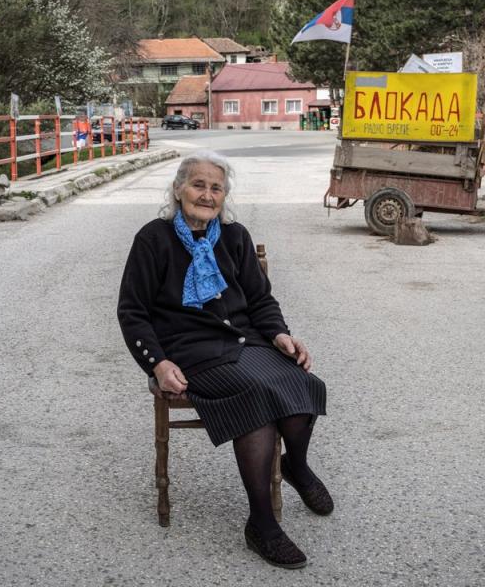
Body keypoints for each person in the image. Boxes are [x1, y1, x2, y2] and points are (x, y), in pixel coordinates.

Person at [117, 151, 331, 569]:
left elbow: (260, 299)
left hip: (245, 340)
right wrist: (157, 363)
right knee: (255, 397)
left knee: (303, 381)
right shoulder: (153, 238)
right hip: (189, 350)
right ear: (179, 190)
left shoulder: (234, 236)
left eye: (216, 188)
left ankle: (296, 466)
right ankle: (262, 525)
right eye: (198, 185)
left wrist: (280, 334)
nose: (207, 195)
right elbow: (133, 312)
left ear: (225, 196)